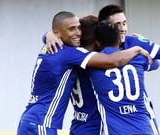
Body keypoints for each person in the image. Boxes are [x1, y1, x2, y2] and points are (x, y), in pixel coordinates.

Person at [45, 4, 160, 134]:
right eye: (117, 24)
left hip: (122, 122)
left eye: (125, 23)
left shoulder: (84, 54)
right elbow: (155, 63)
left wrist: (49, 34)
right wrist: (49, 35)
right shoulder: (97, 55)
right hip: (105, 125)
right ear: (103, 28)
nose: (123, 28)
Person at [17, 11, 152, 135]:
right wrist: (137, 47)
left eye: (79, 28)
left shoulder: (54, 47)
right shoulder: (74, 56)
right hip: (44, 122)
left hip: (48, 122)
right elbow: (112, 60)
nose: (78, 32)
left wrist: (48, 34)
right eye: (72, 29)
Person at [86, 20, 159, 134]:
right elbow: (155, 63)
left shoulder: (92, 64)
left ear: (98, 43)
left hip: (116, 131)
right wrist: (144, 42)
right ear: (119, 39)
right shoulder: (138, 58)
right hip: (144, 129)